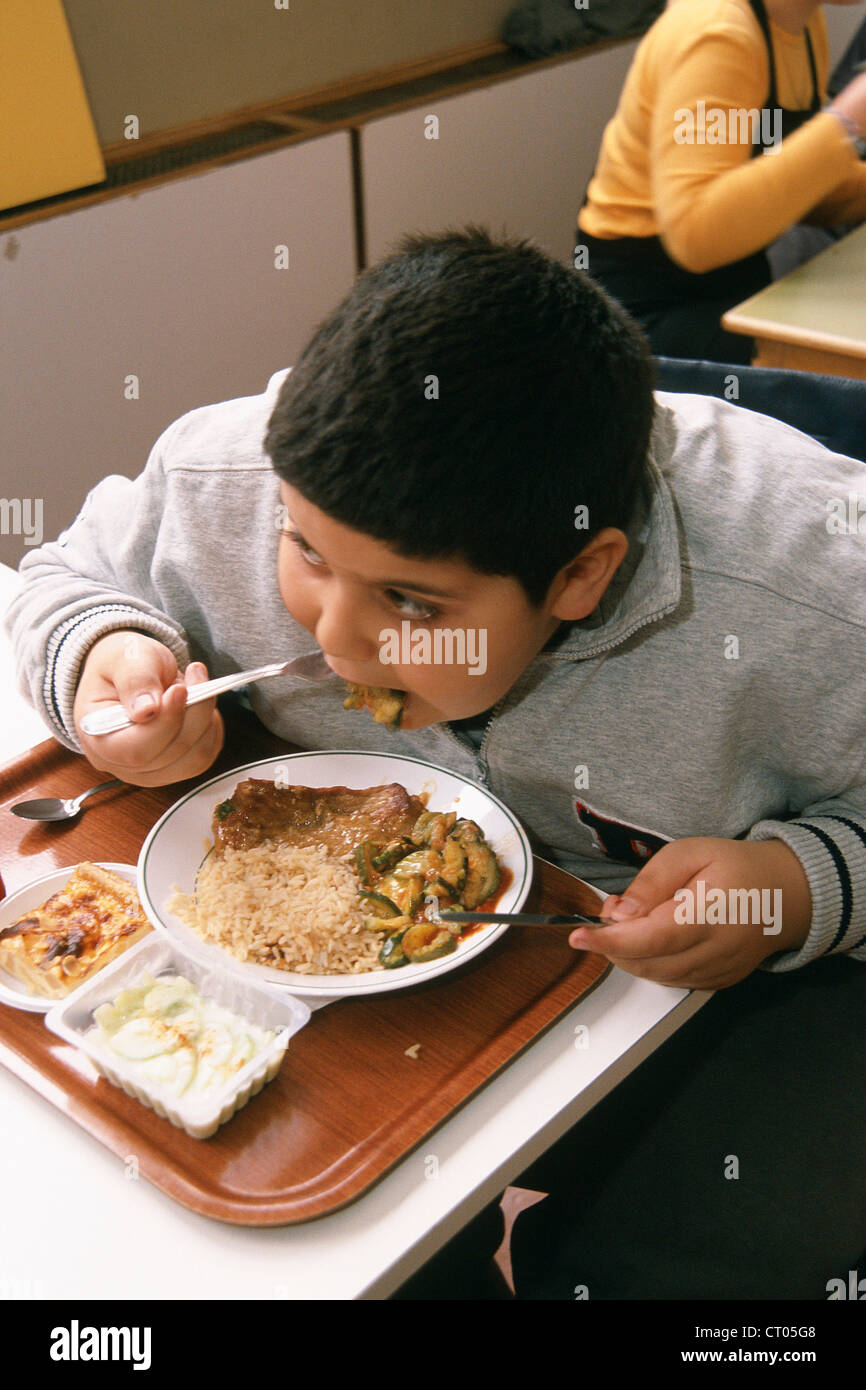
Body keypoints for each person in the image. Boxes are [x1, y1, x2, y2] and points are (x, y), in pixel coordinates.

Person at [7, 227, 866, 1296]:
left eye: (410, 603)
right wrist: (99, 657)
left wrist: (797, 885)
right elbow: (65, 575)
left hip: (725, 993)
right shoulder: (236, 474)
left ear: (580, 574)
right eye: (305, 552)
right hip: (362, 1035)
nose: (335, 641)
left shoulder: (817, 588)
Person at [575, 0, 866, 363]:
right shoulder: (718, 29)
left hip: (732, 282)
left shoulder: (801, 24)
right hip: (640, 315)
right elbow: (695, 235)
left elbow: (800, 187)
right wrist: (845, 123)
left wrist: (841, 134)